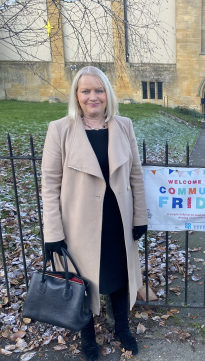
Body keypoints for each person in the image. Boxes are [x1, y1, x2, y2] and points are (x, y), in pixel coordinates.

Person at [41, 66, 148, 361]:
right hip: (78, 225)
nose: (93, 97)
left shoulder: (123, 125)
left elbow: (135, 175)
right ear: (76, 95)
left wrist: (140, 216)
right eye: (85, 91)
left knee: (119, 277)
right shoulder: (60, 130)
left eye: (99, 90)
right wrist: (53, 233)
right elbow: (49, 186)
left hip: (117, 219)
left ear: (107, 94)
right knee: (83, 281)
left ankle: (122, 328)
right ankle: (87, 336)